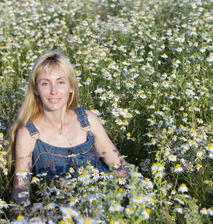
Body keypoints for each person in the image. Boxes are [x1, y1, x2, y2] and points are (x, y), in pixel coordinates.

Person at [7, 50, 129, 205]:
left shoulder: (88, 121)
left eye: (61, 82)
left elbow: (120, 169)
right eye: (45, 83)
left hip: (105, 207)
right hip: (60, 218)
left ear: (71, 86)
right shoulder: (28, 133)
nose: (53, 91)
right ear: (36, 90)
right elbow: (21, 192)